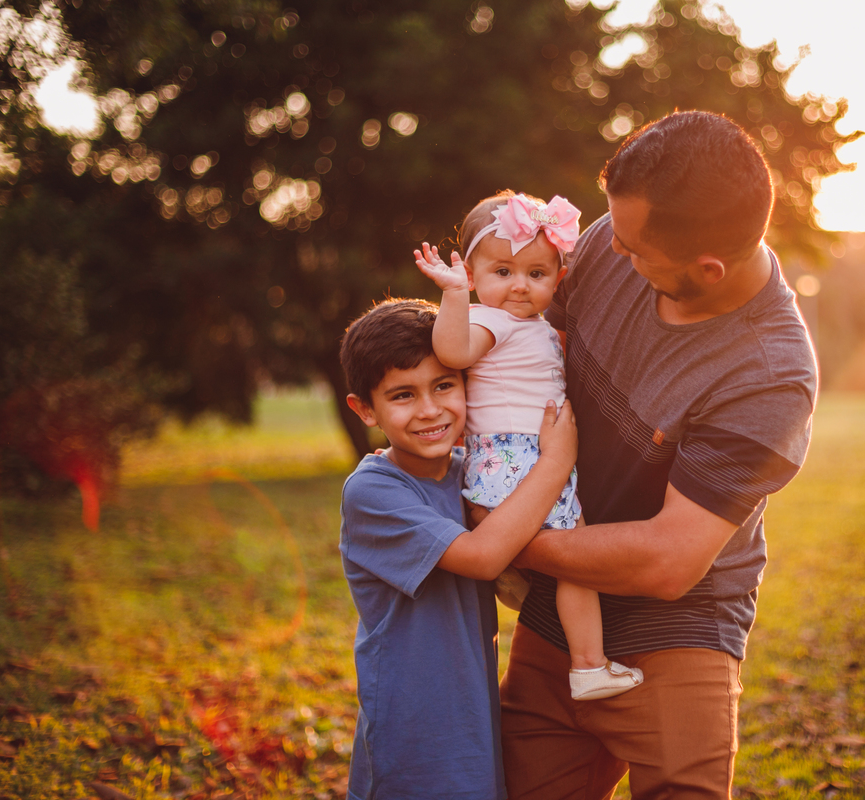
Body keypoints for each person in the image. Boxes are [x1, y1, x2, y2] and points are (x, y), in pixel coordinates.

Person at [498, 111, 819, 798]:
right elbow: (524, 366)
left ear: (708, 268)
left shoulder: (768, 372)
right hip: (562, 616)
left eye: (635, 247)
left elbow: (669, 560)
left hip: (679, 636)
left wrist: (499, 537)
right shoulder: (610, 245)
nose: (610, 251)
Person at [337, 298, 578, 799]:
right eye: (403, 395)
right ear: (364, 409)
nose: (430, 409)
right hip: (415, 729)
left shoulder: (471, 472)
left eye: (444, 385)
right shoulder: (375, 492)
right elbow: (483, 556)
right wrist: (555, 463)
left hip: (473, 714)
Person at [413, 190, 644, 701]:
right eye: (502, 273)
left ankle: (518, 579)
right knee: (576, 559)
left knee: (555, 554)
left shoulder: (527, 325)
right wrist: (453, 297)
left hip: (514, 459)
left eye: (536, 274)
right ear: (473, 274)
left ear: (557, 279)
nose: (519, 286)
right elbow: (451, 349)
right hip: (521, 459)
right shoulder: (489, 320)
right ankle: (588, 665)